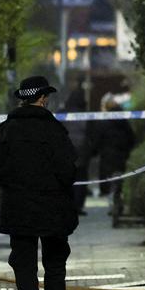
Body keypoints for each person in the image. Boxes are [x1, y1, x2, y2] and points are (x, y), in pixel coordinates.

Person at [0, 75, 79, 290]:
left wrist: (13, 181)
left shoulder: (7, 130)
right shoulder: (54, 130)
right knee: (55, 266)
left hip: (18, 210)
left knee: (24, 268)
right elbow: (69, 171)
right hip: (53, 209)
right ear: (43, 98)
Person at [91, 92, 136, 217]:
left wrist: (94, 152)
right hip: (121, 155)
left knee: (109, 180)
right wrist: (127, 150)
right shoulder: (123, 120)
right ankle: (118, 202)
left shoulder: (103, 121)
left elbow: (97, 139)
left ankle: (113, 205)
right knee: (119, 179)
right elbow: (131, 137)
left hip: (107, 156)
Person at [61, 87, 91, 217]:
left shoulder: (62, 114)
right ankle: (78, 206)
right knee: (81, 179)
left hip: (65, 151)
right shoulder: (86, 115)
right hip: (81, 151)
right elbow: (91, 134)